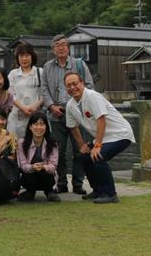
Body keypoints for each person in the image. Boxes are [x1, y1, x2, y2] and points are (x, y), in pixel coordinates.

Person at [64, 72, 135, 204]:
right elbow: (72, 127)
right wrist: (82, 145)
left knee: (98, 156)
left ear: (82, 83)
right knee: (84, 156)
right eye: (68, 85)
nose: (72, 87)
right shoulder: (70, 105)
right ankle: (97, 190)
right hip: (103, 137)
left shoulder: (92, 96)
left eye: (75, 84)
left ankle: (110, 194)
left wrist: (97, 146)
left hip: (120, 133)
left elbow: (101, 119)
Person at [41, 34, 95, 195]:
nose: (61, 47)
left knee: (80, 148)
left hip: (78, 113)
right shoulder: (47, 67)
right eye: (57, 45)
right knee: (59, 150)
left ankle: (78, 183)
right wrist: (51, 106)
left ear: (68, 47)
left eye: (64, 44)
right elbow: (43, 89)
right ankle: (62, 182)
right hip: (56, 113)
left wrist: (80, 104)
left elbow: (90, 86)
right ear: (53, 49)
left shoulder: (79, 64)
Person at [16, 111, 59, 202]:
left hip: (46, 176)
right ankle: (30, 192)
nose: (39, 127)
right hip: (29, 175)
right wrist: (32, 167)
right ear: (30, 127)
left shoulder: (53, 143)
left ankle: (49, 192)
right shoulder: (21, 143)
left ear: (46, 127)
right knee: (28, 174)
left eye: (42, 124)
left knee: (45, 172)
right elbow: (22, 165)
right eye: (35, 124)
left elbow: (53, 166)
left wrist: (44, 167)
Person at [7, 43, 44, 136]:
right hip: (17, 116)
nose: (24, 59)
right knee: (16, 144)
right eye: (21, 56)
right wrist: (23, 108)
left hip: (35, 115)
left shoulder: (40, 72)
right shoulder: (13, 74)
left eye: (27, 55)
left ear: (32, 57)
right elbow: (10, 94)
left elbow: (45, 93)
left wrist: (35, 107)